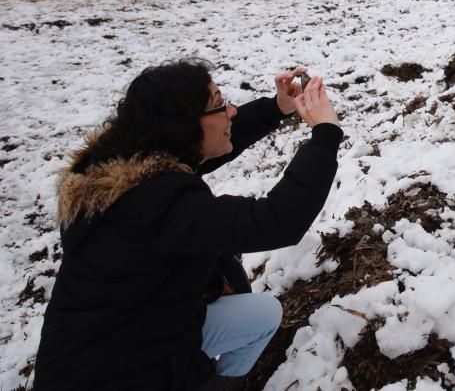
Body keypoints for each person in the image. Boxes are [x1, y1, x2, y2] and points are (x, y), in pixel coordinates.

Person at [33, 59, 344, 389]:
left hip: (143, 330)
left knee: (261, 315)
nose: (232, 111)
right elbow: (276, 221)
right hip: (115, 373)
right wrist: (325, 134)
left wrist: (277, 107)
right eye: (219, 105)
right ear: (183, 125)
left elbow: (215, 142)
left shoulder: (129, 166)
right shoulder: (155, 205)